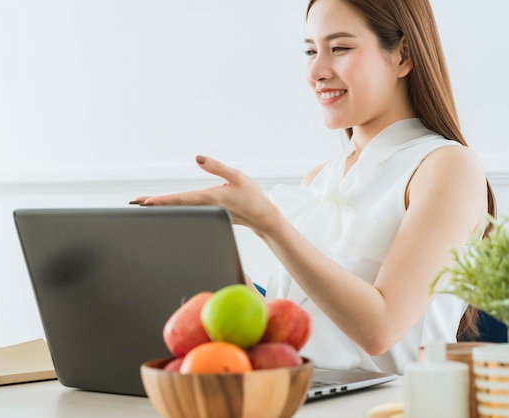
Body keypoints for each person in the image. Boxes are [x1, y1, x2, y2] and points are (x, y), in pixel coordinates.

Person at [131, 0, 496, 375]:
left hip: (397, 406)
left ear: (403, 55)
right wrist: (208, 251)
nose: (316, 71)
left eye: (339, 48)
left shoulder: (446, 165)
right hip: (295, 397)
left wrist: (269, 224)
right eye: (310, 50)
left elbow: (381, 330)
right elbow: (283, 336)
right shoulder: (319, 179)